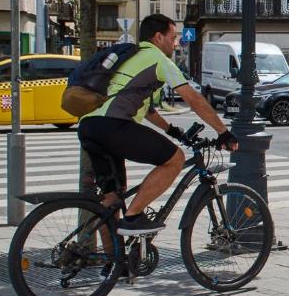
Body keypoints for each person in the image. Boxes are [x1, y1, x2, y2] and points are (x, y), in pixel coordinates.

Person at [77, 14, 238, 235]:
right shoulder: (158, 59)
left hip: (90, 126)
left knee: (112, 199)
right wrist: (223, 132)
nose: (175, 43)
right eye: (173, 37)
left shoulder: (133, 56)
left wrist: (170, 129)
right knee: (175, 159)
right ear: (158, 37)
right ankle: (133, 216)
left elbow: (146, 109)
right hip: (113, 124)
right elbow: (193, 98)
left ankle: (113, 263)